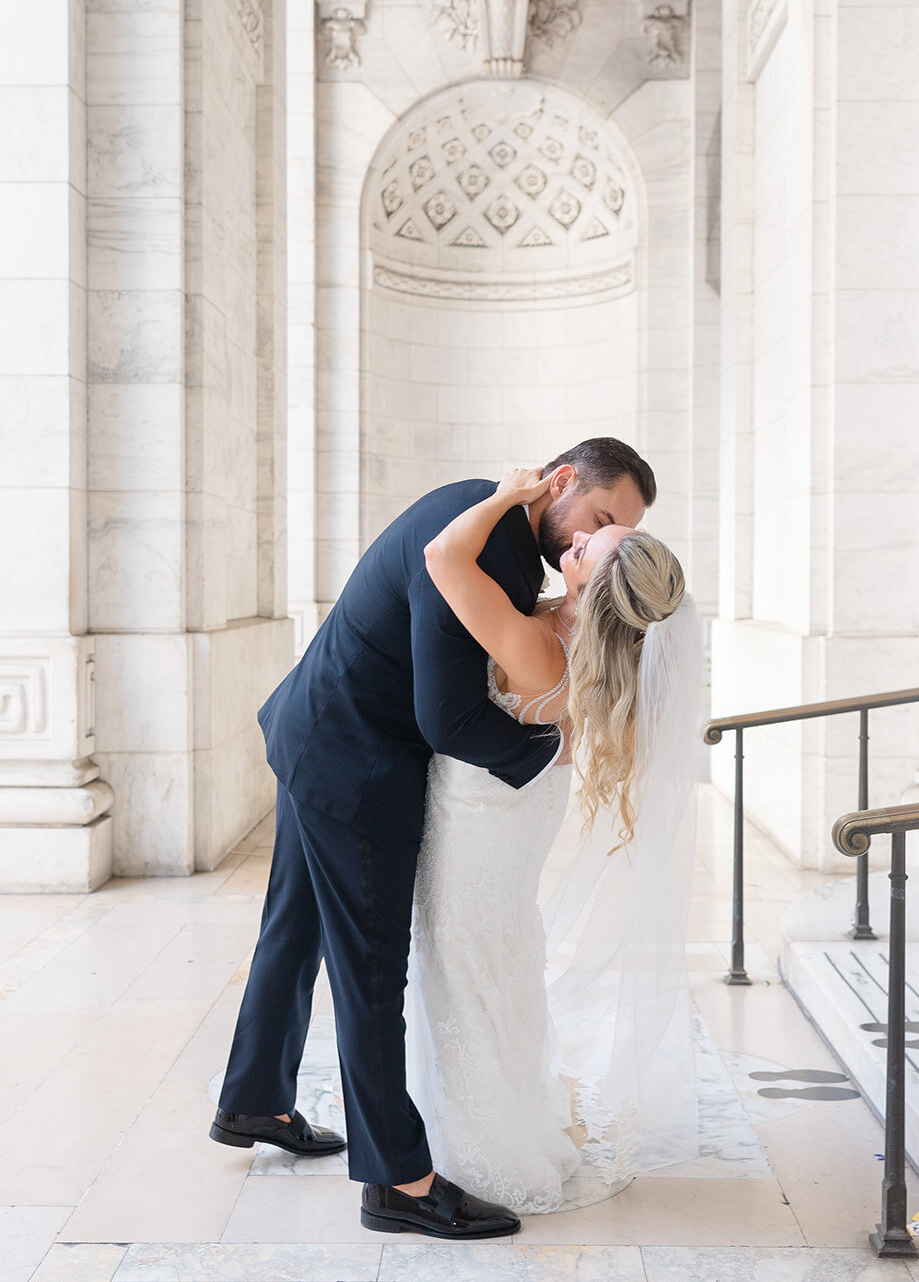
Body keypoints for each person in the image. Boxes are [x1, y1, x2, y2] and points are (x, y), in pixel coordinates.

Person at [209, 437, 655, 1241]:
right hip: (353, 765)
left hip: (320, 733)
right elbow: (445, 720)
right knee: (371, 973)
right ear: (559, 484)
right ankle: (400, 1184)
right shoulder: (479, 539)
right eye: (598, 516)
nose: (590, 539)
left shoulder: (500, 536)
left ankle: (254, 1100)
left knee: (296, 928)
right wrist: (546, 751)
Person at [408, 466, 704, 1212]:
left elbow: (442, 557)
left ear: (592, 586)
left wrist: (511, 493)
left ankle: (480, 1153)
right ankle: (504, 1122)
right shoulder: (593, 649)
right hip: (521, 812)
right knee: (501, 957)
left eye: (587, 545)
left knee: (463, 968)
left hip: (478, 818)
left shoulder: (541, 647)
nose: (572, 538)